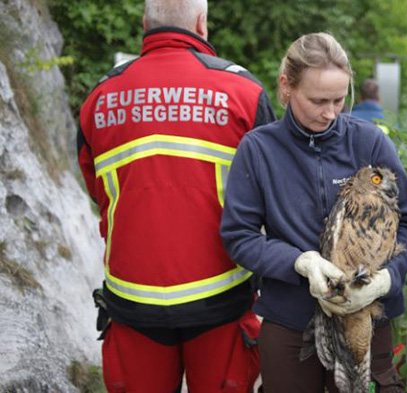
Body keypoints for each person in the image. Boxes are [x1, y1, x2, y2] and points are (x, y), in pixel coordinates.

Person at [77, 0, 275, 391]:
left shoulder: (100, 97)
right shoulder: (243, 92)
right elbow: (270, 194)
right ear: (201, 22)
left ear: (144, 23)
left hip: (132, 299)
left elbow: (97, 190)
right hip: (222, 297)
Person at [220, 32, 407, 392]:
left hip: (366, 318)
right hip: (290, 320)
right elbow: (239, 236)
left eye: (339, 100)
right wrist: (301, 263)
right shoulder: (259, 149)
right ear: (286, 87)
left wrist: (385, 280)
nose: (330, 113)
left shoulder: (369, 141)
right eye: (318, 101)